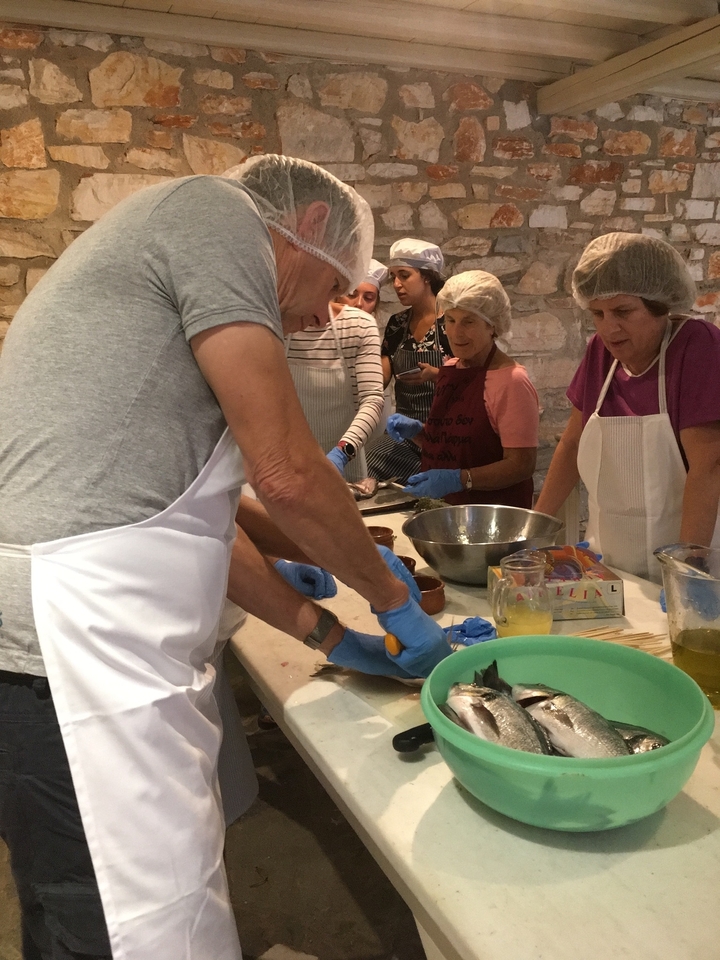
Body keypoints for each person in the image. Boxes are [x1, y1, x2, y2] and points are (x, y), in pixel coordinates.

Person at [0, 155, 451, 960]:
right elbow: (285, 473)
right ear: (307, 225)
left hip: (82, 634)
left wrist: (321, 631)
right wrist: (390, 599)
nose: (325, 317)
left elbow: (183, 523)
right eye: (334, 287)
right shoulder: (214, 217)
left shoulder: (173, 263)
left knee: (92, 906)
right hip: (69, 650)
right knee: (119, 920)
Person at [535, 232, 720, 582]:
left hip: (698, 562)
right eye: (598, 313)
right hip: (615, 565)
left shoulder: (698, 348)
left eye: (623, 311)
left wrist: (687, 573)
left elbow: (708, 468)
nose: (609, 328)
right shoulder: (601, 354)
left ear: (661, 304)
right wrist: (533, 531)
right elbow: (572, 444)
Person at [384, 270, 539, 506]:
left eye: (469, 321)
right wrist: (418, 433)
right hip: (447, 510)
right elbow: (453, 445)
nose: (456, 333)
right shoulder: (451, 368)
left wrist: (460, 479)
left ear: (493, 326)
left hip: (493, 519)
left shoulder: (512, 381)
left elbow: (520, 465)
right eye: (450, 320)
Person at [284, 259, 387, 481]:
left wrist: (342, 452)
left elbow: (372, 399)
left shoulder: (360, 326)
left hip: (343, 468)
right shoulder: (275, 324)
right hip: (284, 466)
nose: (321, 317)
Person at [365, 238, 452, 483]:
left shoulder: (453, 321)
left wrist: (437, 375)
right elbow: (381, 374)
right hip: (402, 435)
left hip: (448, 434)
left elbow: (474, 378)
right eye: (393, 277)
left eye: (404, 275)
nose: (396, 284)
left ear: (427, 276)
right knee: (366, 465)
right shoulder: (397, 324)